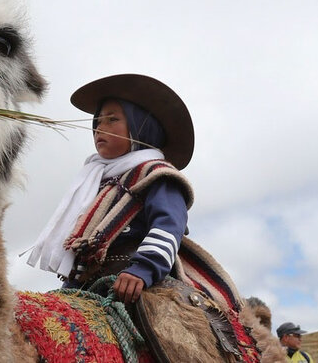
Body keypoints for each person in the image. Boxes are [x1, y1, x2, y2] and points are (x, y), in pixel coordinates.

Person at [27, 74, 194, 303]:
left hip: (137, 283)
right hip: (87, 286)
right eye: (97, 122)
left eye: (111, 120)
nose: (99, 128)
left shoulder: (158, 175)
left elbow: (168, 225)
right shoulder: (95, 181)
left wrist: (142, 269)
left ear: (140, 128)